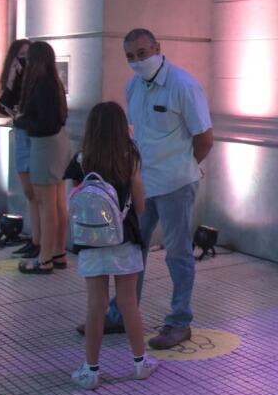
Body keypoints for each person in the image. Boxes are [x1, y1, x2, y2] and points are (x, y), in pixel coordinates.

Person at [91, 29, 213, 350]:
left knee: (178, 253)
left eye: (143, 53)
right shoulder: (133, 86)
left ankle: (179, 321)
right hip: (143, 183)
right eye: (131, 56)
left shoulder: (183, 86)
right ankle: (122, 312)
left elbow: (204, 139)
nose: (138, 61)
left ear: (158, 49)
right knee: (132, 249)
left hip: (176, 184)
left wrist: (184, 167)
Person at [65, 102, 159, 390]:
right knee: (128, 302)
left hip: (91, 243)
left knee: (96, 305)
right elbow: (141, 205)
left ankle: (91, 370)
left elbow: (72, 204)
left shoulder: (80, 161)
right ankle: (140, 362)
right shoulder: (128, 158)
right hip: (124, 241)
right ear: (122, 129)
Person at [16, 42, 71, 274]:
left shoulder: (40, 85)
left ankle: (45, 257)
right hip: (57, 144)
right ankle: (57, 252)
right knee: (57, 202)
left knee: (47, 204)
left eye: (28, 58)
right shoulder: (54, 83)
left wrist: (21, 120)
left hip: (44, 146)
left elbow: (43, 123)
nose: (25, 61)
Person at [0, 39, 41, 261]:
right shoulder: (15, 78)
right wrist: (12, 81)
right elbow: (3, 105)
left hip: (34, 136)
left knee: (38, 193)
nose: (24, 60)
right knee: (28, 191)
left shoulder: (37, 80)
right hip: (21, 133)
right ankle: (35, 238)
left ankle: (40, 241)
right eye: (20, 56)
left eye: (28, 55)